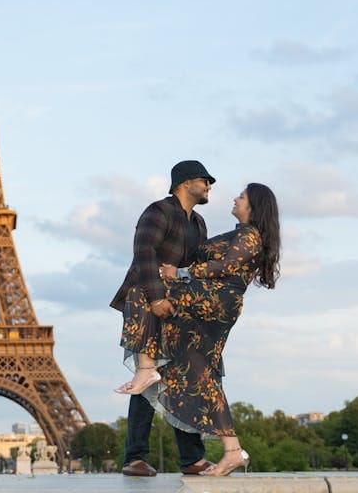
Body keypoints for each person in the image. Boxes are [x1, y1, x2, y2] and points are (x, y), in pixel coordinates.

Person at [150, 182, 282, 476]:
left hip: (215, 300)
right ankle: (232, 450)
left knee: (147, 291)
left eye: (242, 196)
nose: (236, 198)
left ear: (254, 206)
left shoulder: (249, 235)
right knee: (201, 371)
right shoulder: (241, 234)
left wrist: (179, 272)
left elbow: (227, 265)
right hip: (211, 301)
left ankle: (145, 367)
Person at [110, 160, 217, 477]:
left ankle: (191, 458)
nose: (210, 185)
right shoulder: (157, 211)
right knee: (148, 377)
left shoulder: (199, 224)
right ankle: (135, 457)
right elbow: (144, 253)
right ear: (184, 183)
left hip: (178, 307)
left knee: (181, 378)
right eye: (204, 179)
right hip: (148, 299)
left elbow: (196, 270)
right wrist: (156, 296)